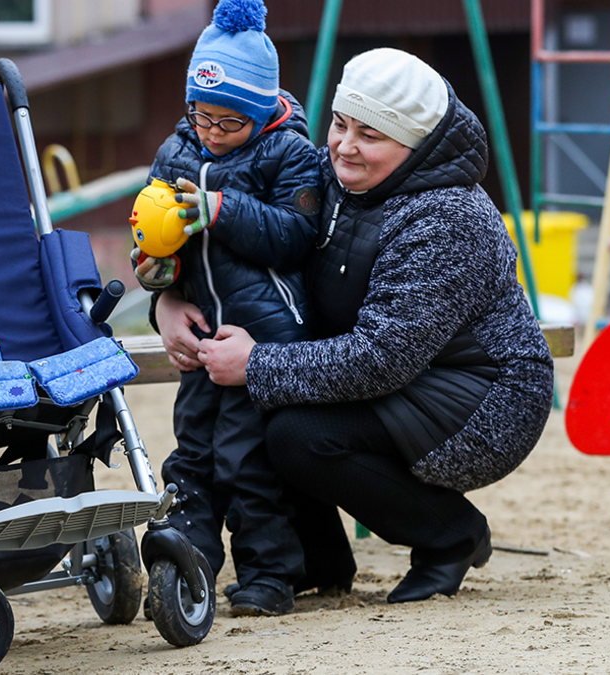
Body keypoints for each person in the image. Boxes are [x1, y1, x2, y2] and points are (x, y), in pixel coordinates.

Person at [164, 47, 555, 604]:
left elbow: (382, 358)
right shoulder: (330, 175)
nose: (345, 146)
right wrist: (169, 298)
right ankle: (317, 560)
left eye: (370, 135)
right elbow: (238, 243)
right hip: (400, 373)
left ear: (414, 144)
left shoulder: (448, 218)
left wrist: (256, 362)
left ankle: (450, 537)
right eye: (341, 124)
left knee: (299, 434)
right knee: (275, 406)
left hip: (480, 398)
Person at [132, 0, 323, 616]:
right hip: (203, 333)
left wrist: (219, 209)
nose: (211, 132)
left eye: (229, 122)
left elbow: (297, 232)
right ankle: (190, 562)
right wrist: (161, 280)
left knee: (246, 458)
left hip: (264, 333)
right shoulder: (179, 149)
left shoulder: (287, 151)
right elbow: (158, 231)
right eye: (201, 115)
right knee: (191, 450)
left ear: (261, 108)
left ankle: (270, 575)